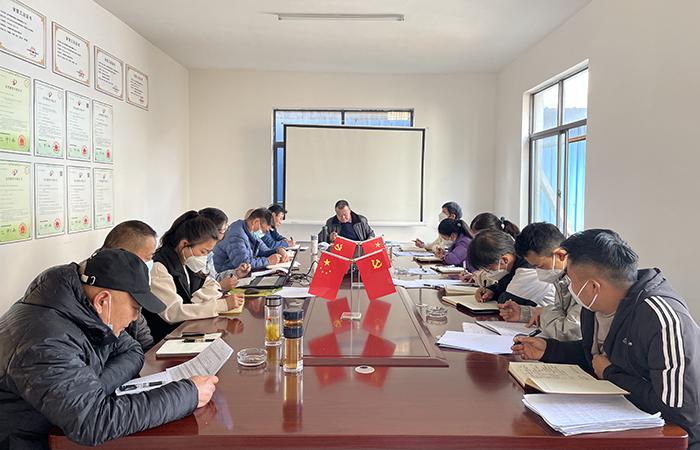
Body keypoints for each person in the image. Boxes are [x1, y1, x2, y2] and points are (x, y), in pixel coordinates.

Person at [0, 249, 219, 449]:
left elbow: (133, 350)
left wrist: (94, 387)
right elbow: (92, 421)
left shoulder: (83, 310)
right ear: (103, 300)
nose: (135, 318)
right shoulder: (46, 341)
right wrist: (188, 394)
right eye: (135, 308)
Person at [512, 229, 700, 449]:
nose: (569, 287)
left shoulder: (662, 318)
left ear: (593, 286)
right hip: (619, 416)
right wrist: (549, 350)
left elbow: (679, 411)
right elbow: (594, 357)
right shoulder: (593, 308)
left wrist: (611, 373)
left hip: (670, 437)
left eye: (570, 279)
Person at [145, 211, 245, 342]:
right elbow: (173, 313)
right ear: (184, 244)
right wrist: (221, 305)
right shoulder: (160, 267)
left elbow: (212, 284)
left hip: (189, 329)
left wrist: (196, 301)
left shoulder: (187, 260)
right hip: (167, 338)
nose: (205, 257)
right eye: (203, 251)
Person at [499, 222, 581, 341]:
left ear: (560, 255)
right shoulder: (560, 276)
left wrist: (542, 313)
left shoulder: (582, 281)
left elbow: (568, 331)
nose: (538, 271)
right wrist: (523, 313)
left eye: (540, 266)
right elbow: (559, 312)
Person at [100, 220, 159, 350]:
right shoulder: (96, 284)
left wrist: (150, 354)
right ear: (125, 255)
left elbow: (143, 337)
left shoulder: (130, 279)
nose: (151, 262)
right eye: (148, 257)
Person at [467, 229, 554, 307]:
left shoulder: (529, 268)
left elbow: (507, 302)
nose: (486, 272)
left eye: (488, 268)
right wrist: (491, 291)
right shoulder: (511, 266)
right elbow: (503, 287)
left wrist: (498, 294)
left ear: (504, 260)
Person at [213, 208, 287, 273]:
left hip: (239, 272)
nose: (264, 234)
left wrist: (278, 250)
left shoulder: (250, 231)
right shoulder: (236, 235)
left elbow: (263, 251)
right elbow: (243, 264)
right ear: (256, 222)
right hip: (226, 276)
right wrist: (268, 261)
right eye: (264, 231)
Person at [198, 207, 250, 289]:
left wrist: (236, 273)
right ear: (212, 231)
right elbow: (198, 291)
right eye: (224, 229)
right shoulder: (196, 255)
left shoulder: (209, 252)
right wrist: (220, 287)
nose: (225, 233)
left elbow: (214, 278)